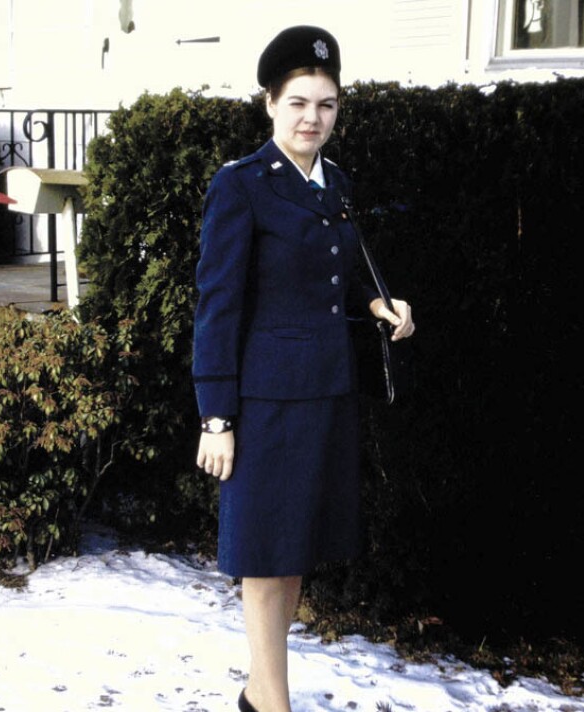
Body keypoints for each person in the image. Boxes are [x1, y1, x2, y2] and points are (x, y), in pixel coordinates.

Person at [192, 25, 415, 712]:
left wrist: (380, 301)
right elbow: (217, 306)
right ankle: (274, 704)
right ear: (269, 104)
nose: (312, 118)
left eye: (325, 104)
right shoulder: (242, 187)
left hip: (326, 393)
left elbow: (336, 272)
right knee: (263, 556)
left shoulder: (335, 182)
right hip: (263, 405)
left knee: (294, 552)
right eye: (297, 103)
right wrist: (217, 417)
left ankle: (263, 694)